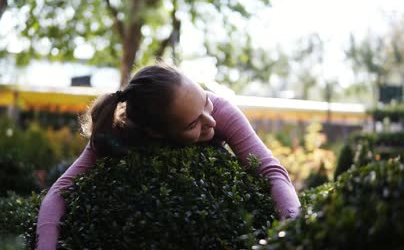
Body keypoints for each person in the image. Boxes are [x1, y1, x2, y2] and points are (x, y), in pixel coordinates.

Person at [36, 64, 301, 249]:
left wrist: (293, 232)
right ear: (156, 132)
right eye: (191, 125)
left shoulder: (222, 110)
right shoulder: (122, 132)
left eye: (204, 102)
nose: (210, 121)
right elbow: (60, 191)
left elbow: (271, 172)